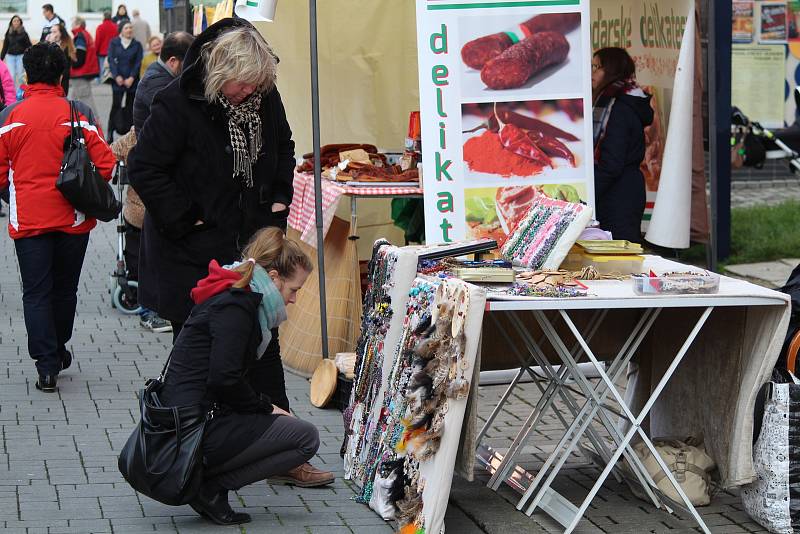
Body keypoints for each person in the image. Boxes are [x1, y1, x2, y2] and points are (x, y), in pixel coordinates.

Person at [128, 18, 333, 488]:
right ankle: (183, 453)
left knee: (263, 346)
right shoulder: (179, 103)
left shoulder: (263, 96)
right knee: (201, 360)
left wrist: (278, 202)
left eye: (258, 86)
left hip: (249, 248)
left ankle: (284, 453)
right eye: (243, 86)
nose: (249, 95)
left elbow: (283, 148)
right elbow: (144, 167)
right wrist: (187, 217)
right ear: (221, 73)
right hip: (193, 259)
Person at [157, 228, 320, 525]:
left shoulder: (234, 292)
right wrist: (265, 408)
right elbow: (224, 379)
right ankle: (208, 486)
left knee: (287, 427)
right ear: (273, 278)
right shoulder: (237, 306)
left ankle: (207, 481)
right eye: (293, 289)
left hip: (184, 418)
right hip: (189, 428)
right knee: (305, 438)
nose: (294, 299)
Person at [0, 43, 116, 392]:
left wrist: (13, 193)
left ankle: (46, 365)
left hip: (29, 221)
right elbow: (107, 165)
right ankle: (59, 347)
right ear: (63, 75)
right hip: (74, 220)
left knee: (35, 293)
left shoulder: (8, 116)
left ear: (26, 75)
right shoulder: (78, 113)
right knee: (65, 290)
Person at [123, 31, 194, 333]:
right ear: (174, 60)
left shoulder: (157, 77)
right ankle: (151, 310)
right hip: (154, 186)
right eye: (188, 63)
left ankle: (153, 307)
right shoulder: (160, 85)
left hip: (151, 185)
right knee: (152, 250)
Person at [591, 47, 653, 244]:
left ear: (611, 70)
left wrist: (587, 194)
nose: (591, 73)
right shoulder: (612, 101)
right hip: (618, 191)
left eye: (596, 67)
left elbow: (611, 163)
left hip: (619, 197)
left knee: (618, 259)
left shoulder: (618, 107)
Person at [106, 21, 142, 141]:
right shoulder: (114, 43)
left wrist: (132, 77)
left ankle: (129, 134)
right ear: (121, 30)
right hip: (118, 81)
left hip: (132, 81)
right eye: (126, 28)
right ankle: (110, 132)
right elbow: (111, 60)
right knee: (116, 105)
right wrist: (116, 76)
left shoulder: (137, 45)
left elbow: (138, 63)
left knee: (130, 107)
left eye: (131, 27)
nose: (129, 30)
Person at [68, 16, 99, 119]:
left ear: (78, 24)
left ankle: (95, 125)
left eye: (73, 23)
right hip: (83, 73)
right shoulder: (85, 34)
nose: (71, 25)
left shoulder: (80, 36)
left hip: (80, 74)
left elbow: (80, 58)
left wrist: (71, 63)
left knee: (85, 102)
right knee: (75, 101)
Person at [1, 15, 31, 99]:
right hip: (10, 56)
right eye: (14, 21)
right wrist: (1, 58)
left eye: (18, 21)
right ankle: (12, 94)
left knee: (21, 76)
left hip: (20, 56)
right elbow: (5, 47)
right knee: (12, 75)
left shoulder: (24, 33)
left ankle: (21, 93)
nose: (16, 22)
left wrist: (30, 56)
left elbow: (29, 46)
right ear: (11, 23)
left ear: (20, 22)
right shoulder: (8, 33)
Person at [45, 23, 75, 95]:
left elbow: (64, 62)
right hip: (50, 76)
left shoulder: (66, 44)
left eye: (55, 32)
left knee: (62, 96)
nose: (52, 34)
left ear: (61, 33)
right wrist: (48, 43)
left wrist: (51, 44)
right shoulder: (49, 43)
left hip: (62, 76)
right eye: (51, 32)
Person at [95, 11, 117, 82]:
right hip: (113, 50)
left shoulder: (100, 27)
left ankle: (103, 79)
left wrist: (96, 51)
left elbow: (98, 40)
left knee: (102, 67)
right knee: (112, 66)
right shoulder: (115, 26)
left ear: (104, 17)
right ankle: (112, 78)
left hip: (102, 51)